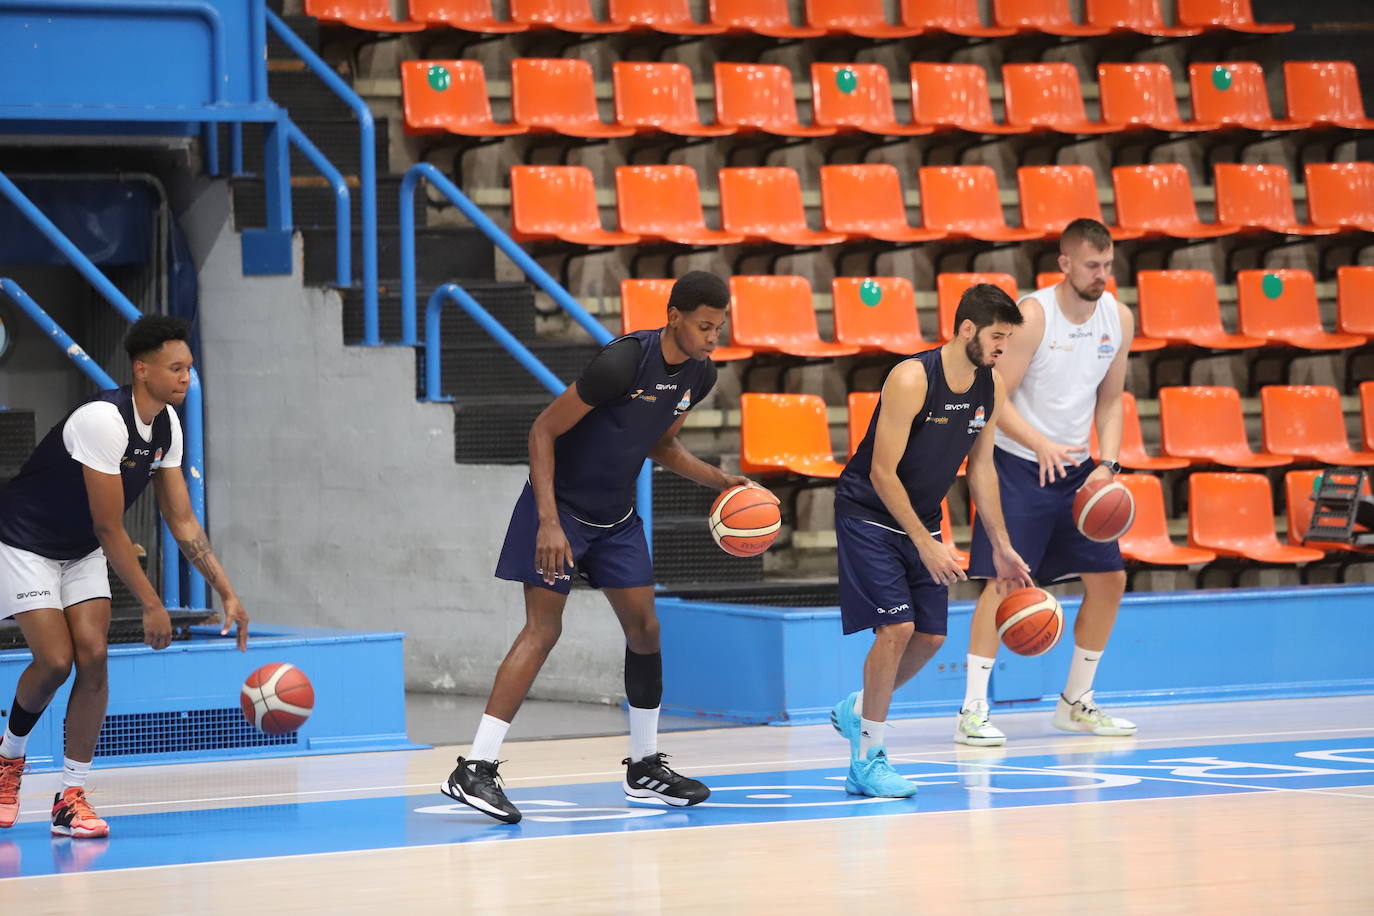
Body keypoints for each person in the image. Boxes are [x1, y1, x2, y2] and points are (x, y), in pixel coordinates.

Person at [441, 271, 755, 824]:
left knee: (646, 630)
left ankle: (643, 767)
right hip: (559, 510)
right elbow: (542, 431)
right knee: (544, 630)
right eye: (705, 326)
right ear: (674, 315)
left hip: (616, 516)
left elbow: (661, 444)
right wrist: (547, 523)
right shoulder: (623, 362)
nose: (713, 337)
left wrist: (720, 480)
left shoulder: (700, 375)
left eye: (720, 326)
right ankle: (475, 768)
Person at [0, 315, 250, 838]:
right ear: (142, 370)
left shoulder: (167, 427)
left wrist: (226, 591)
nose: (186, 378)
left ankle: (70, 797)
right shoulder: (102, 420)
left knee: (93, 660)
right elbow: (109, 526)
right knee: (55, 660)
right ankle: (9, 761)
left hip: (81, 551)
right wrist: (153, 603)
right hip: (24, 542)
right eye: (175, 367)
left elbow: (182, 520)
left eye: (189, 368)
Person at [830, 284, 1033, 797]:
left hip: (922, 517)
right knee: (896, 629)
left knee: (931, 638)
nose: (1001, 348)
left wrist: (1002, 545)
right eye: (996, 337)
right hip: (869, 512)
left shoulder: (991, 386)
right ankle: (867, 760)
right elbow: (881, 471)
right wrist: (924, 541)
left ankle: (858, 711)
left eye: (1007, 339)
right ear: (967, 328)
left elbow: (982, 469)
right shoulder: (911, 378)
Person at [956, 218, 1137, 747]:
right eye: (1091, 265)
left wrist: (1111, 463)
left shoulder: (1118, 318)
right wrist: (1038, 442)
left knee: (1111, 580)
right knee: (1004, 583)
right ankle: (972, 710)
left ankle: (1075, 702)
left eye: (1108, 265)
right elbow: (993, 395)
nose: (1101, 275)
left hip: (1077, 471)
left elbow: (1111, 400)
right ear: (1064, 264)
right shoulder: (1033, 317)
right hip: (1018, 465)